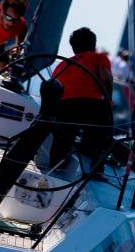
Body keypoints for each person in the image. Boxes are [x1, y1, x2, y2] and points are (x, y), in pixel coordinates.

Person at [49, 27, 114, 168]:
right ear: (93, 45)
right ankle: (96, 168)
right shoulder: (99, 57)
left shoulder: (61, 64)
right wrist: (109, 104)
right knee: (103, 135)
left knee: (62, 139)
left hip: (62, 109)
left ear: (73, 47)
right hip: (89, 108)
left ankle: (55, 167)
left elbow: (53, 89)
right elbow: (106, 79)